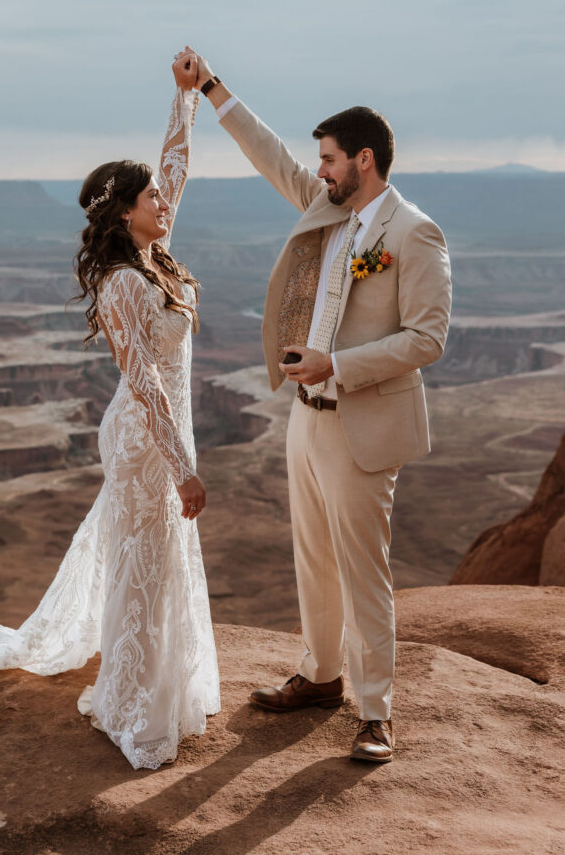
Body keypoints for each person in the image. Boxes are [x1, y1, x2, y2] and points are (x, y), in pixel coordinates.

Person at [0, 53, 220, 771]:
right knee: (145, 564)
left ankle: (159, 686)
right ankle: (130, 703)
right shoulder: (125, 281)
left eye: (163, 197)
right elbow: (145, 384)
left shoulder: (156, 254)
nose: (166, 203)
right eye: (153, 198)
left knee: (159, 559)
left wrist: (184, 98)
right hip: (143, 437)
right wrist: (184, 467)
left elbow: (176, 165)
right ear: (125, 211)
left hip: (164, 434)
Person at [185, 46, 452, 762]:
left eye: (330, 159)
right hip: (306, 418)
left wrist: (339, 363)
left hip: (364, 422)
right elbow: (272, 157)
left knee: (363, 567)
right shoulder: (329, 211)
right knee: (312, 558)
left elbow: (428, 339)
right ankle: (321, 675)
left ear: (363, 160)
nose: (321, 170)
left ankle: (375, 713)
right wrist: (213, 89)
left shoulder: (412, 234)